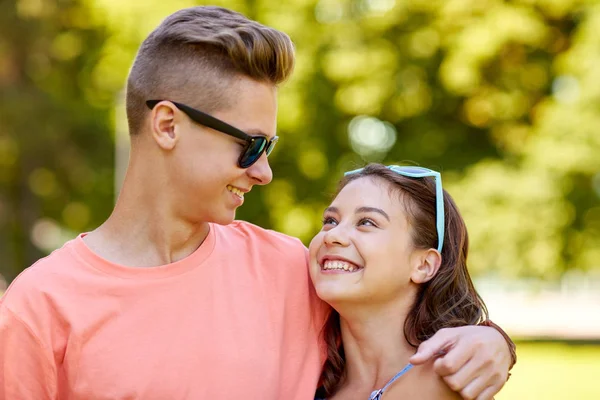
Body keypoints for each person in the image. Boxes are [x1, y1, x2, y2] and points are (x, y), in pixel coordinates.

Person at [0, 6, 515, 400]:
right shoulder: (38, 309)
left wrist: (492, 342)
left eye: (268, 149)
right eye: (251, 145)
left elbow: (402, 317)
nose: (264, 172)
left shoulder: (291, 269)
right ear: (167, 125)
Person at [310, 164, 508, 400]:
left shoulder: (448, 384)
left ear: (423, 265)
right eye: (331, 220)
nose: (332, 235)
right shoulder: (307, 382)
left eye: (367, 222)